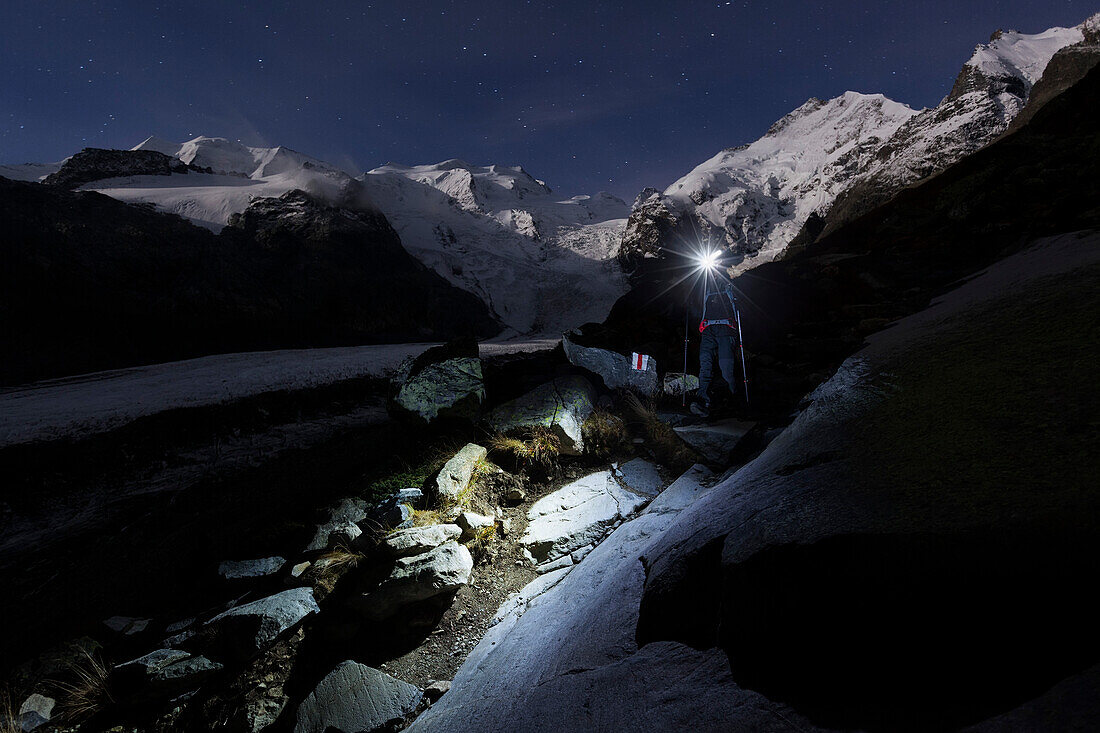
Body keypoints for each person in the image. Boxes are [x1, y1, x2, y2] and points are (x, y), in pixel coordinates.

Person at [691, 283, 743, 417]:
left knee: (726, 368)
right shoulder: (705, 282)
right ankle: (703, 401)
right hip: (708, 330)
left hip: (726, 329)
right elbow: (696, 305)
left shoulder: (730, 280)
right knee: (705, 365)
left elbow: (742, 302)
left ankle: (733, 401)